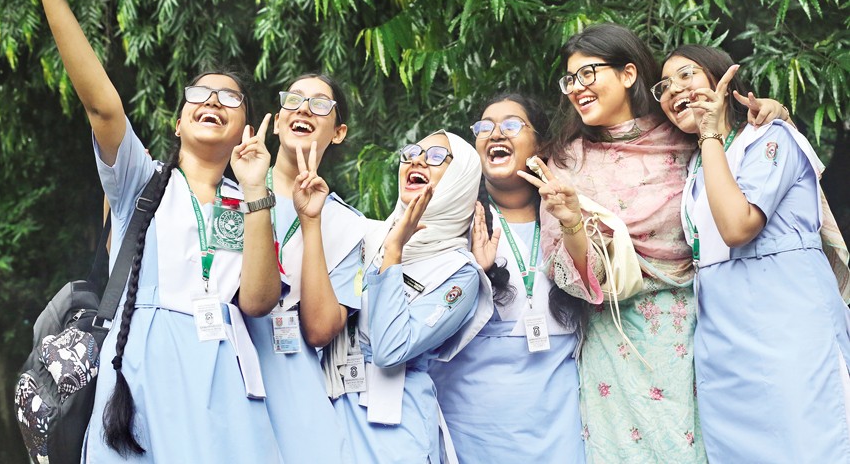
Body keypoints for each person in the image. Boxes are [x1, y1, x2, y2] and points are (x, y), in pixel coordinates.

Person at [42, 0, 281, 462]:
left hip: (224, 378)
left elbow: (260, 301)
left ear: (245, 125)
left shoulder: (252, 202)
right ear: (178, 121)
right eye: (199, 93)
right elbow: (103, 106)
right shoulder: (140, 180)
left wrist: (257, 189)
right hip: (142, 372)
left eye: (229, 96)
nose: (211, 99)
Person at [524, 23, 787, 463]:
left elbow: (746, 165)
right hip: (615, 340)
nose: (576, 88)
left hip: (701, 329)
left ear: (628, 74)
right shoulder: (565, 160)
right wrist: (572, 223)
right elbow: (567, 270)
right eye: (570, 79)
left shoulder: (685, 137)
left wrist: (777, 112)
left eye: (587, 74)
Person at [657, 44, 850, 463]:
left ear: (723, 80)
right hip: (723, 348)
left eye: (687, 75)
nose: (675, 90)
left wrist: (710, 132)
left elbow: (738, 227)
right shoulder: (695, 168)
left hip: (788, 328)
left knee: (811, 445)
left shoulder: (771, 137)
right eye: (664, 86)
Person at [429, 94, 586, 463]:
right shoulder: (455, 225)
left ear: (541, 144)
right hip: (474, 419)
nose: (495, 134)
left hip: (560, 417)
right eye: (484, 128)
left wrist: (572, 224)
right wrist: (474, 274)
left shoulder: (569, 215)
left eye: (512, 125)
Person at [329, 130, 491, 464]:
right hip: (335, 403)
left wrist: (394, 253)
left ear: (459, 180)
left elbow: (391, 349)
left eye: (435, 157)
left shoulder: (459, 274)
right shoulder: (368, 234)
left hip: (396, 425)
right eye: (413, 153)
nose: (417, 160)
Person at [244, 74, 366, 463]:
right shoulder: (229, 196)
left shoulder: (350, 227)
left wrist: (311, 223)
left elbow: (321, 330)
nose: (304, 109)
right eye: (294, 100)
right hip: (226, 368)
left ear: (339, 132)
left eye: (320, 104)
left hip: (295, 384)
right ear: (278, 120)